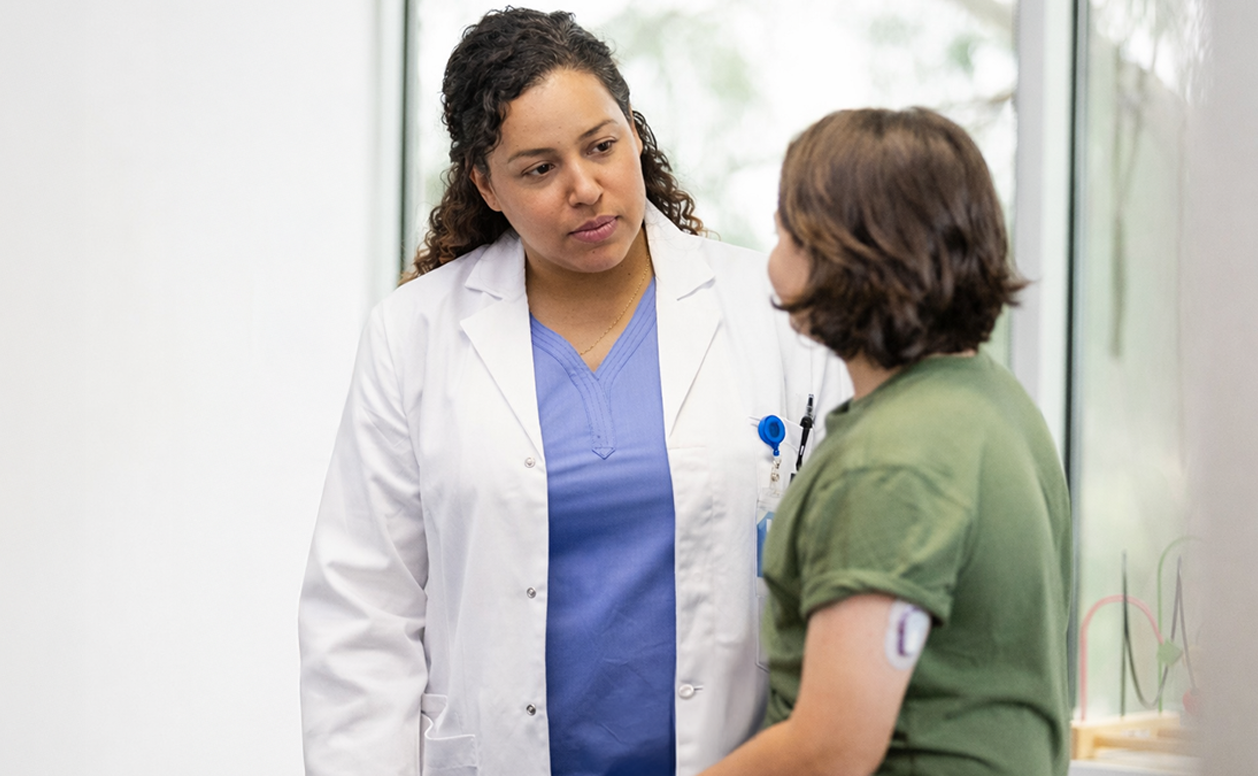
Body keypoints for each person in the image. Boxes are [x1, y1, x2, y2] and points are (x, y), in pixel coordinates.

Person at [297, 8, 848, 776]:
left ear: (633, 134)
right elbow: (364, 616)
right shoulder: (414, 335)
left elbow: (843, 576)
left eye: (601, 146)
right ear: (487, 186)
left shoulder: (768, 310)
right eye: (538, 168)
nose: (584, 188)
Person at [702, 107, 1072, 776]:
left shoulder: (891, 459)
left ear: (847, 257)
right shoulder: (992, 402)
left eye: (788, 230)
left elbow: (831, 749)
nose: (771, 251)